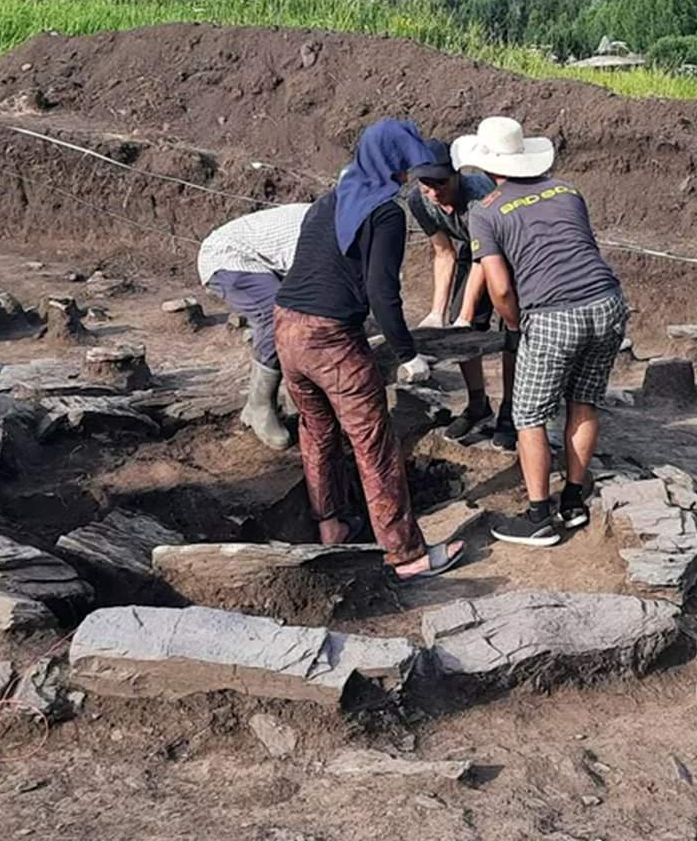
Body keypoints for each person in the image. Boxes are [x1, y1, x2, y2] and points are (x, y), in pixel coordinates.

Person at [274, 119, 464, 580]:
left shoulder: (329, 201)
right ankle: (406, 555)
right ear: (396, 164)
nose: (409, 176)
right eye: (407, 166)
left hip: (285, 328)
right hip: (332, 339)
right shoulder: (385, 213)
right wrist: (407, 354)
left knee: (316, 433)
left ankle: (332, 529)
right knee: (373, 444)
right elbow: (382, 293)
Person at [454, 116, 628, 548]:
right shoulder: (568, 191)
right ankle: (572, 500)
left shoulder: (486, 211)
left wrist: (515, 324)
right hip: (606, 303)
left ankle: (537, 517)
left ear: (486, 164)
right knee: (583, 400)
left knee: (529, 415)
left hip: (551, 314)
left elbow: (499, 286)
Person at [406, 152, 517, 446]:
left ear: (457, 175)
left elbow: (486, 260)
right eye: (425, 186)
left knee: (511, 330)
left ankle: (510, 410)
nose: (433, 194)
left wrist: (465, 317)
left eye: (440, 184)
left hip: (512, 251)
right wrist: (436, 314)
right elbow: (444, 253)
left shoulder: (479, 198)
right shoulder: (419, 201)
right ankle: (478, 404)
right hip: (475, 249)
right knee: (463, 335)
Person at [197, 202, 312, 450]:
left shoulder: (346, 226)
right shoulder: (321, 231)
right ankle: (259, 406)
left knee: (301, 319)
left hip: (264, 261)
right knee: (278, 316)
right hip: (228, 256)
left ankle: (296, 401)